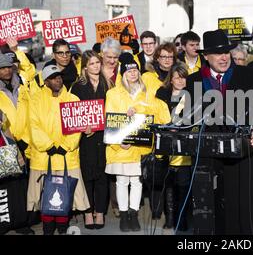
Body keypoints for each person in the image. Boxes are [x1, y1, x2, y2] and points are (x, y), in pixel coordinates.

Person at [184, 29, 253, 235]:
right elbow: (190, 116)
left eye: (226, 52)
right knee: (213, 203)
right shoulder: (195, 80)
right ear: (205, 56)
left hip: (242, 151)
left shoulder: (249, 74)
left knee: (242, 204)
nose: (223, 57)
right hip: (209, 153)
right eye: (217, 53)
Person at [105, 54, 169, 232]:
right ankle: (123, 216)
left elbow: (152, 113)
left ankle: (133, 214)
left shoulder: (145, 92)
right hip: (120, 148)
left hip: (140, 146)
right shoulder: (113, 94)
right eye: (129, 70)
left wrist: (140, 108)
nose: (133, 73)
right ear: (123, 73)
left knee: (137, 181)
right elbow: (110, 119)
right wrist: (119, 143)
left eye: (135, 70)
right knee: (122, 181)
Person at [28, 65, 90, 235]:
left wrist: (65, 145)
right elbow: (33, 126)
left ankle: (62, 228)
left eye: (59, 77)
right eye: (53, 77)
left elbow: (76, 126)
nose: (58, 80)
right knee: (45, 193)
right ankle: (47, 228)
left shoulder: (73, 98)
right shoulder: (35, 99)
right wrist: (49, 145)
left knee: (66, 192)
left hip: (67, 155)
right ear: (45, 81)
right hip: (43, 156)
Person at [70, 50, 113, 230]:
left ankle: (100, 211)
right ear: (85, 66)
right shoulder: (78, 86)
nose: (95, 66)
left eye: (98, 63)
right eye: (92, 63)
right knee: (87, 175)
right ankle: (88, 211)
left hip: (104, 136)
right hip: (86, 138)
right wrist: (82, 126)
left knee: (102, 175)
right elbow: (72, 112)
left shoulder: (108, 84)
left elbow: (113, 108)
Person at [155, 62, 192, 231]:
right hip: (165, 144)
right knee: (168, 185)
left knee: (183, 184)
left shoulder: (193, 94)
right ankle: (170, 217)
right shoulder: (162, 93)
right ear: (171, 79)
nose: (179, 81)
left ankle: (182, 218)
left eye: (182, 77)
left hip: (184, 145)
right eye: (176, 77)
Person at [0, 53, 34, 235]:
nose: (6, 71)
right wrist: (11, 140)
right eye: (2, 68)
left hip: (26, 143)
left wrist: (16, 50)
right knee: (6, 184)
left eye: (8, 67)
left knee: (23, 184)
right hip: (6, 144)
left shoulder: (22, 86)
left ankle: (22, 221)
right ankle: (5, 221)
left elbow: (30, 69)